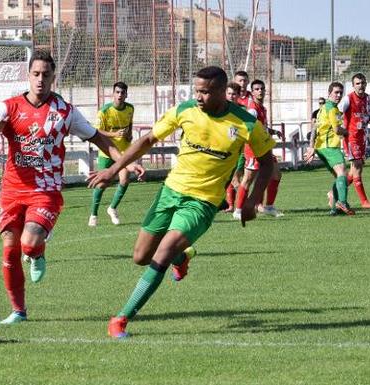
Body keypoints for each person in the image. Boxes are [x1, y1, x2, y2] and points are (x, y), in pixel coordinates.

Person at [87, 66, 275, 339]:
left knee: (160, 253)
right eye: (196, 90)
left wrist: (253, 200)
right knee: (141, 257)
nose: (199, 96)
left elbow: (268, 160)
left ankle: (120, 319)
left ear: (223, 92)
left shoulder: (245, 122)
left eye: (205, 92)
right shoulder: (185, 110)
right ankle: (182, 257)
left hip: (203, 202)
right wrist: (114, 169)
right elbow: (149, 139)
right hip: (170, 192)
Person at [0, 50, 144, 326]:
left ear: (53, 77)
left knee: (28, 244)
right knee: (9, 250)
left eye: (46, 75)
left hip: (45, 190)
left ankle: (37, 253)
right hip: (12, 190)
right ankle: (18, 311)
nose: (40, 80)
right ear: (28, 76)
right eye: (35, 74)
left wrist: (125, 162)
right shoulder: (9, 107)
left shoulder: (64, 111)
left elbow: (99, 138)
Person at [232, 79, 284, 219]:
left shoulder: (262, 107)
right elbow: (248, 127)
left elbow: (261, 127)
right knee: (248, 178)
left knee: (276, 174)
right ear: (252, 92)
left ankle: (268, 206)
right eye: (257, 89)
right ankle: (238, 210)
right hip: (254, 148)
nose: (260, 91)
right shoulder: (253, 109)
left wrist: (272, 131)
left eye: (262, 88)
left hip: (264, 147)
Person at [304, 82, 355, 216]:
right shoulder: (332, 109)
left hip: (321, 148)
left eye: (340, 93)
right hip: (330, 147)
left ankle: (335, 209)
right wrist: (348, 132)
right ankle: (342, 202)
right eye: (336, 92)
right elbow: (337, 130)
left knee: (339, 176)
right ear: (329, 93)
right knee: (343, 173)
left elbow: (315, 128)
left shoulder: (322, 109)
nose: (338, 95)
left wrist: (311, 147)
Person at [88, 81, 134, 227]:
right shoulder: (104, 111)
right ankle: (94, 214)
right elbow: (97, 131)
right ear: (113, 94)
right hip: (107, 151)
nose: (120, 95)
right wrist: (114, 134)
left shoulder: (130, 109)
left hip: (124, 151)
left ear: (126, 94)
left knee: (125, 179)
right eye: (117, 92)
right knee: (102, 184)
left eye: (122, 93)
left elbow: (130, 123)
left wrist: (129, 135)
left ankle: (112, 208)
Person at [338, 73, 370, 209]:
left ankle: (334, 193)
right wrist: (339, 128)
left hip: (362, 136)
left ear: (366, 83)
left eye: (362, 83)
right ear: (353, 85)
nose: (360, 86)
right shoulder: (348, 99)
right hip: (351, 137)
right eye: (357, 83)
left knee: (354, 170)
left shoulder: (369, 98)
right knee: (358, 165)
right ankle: (364, 201)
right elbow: (337, 112)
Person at [223, 71, 252, 212]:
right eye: (229, 94)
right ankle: (232, 204)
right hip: (222, 151)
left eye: (234, 94)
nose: (231, 96)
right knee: (229, 178)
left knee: (235, 179)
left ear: (237, 96)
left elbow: (249, 128)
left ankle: (243, 206)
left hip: (239, 151)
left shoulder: (242, 110)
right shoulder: (220, 110)